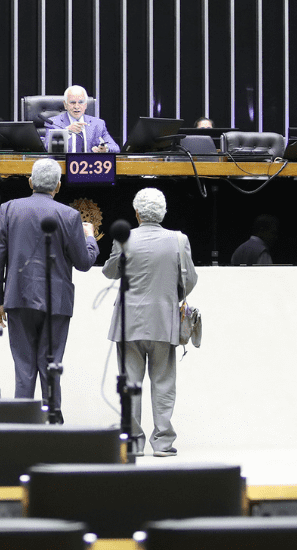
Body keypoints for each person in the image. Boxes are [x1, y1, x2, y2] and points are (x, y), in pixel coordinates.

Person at [0, 158, 99, 409]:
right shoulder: (70, 215)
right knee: (51, 363)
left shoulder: (7, 210)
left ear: (30, 182)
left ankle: (21, 423)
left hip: (17, 297)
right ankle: (53, 419)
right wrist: (91, 238)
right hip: (57, 300)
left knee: (23, 365)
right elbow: (83, 262)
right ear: (58, 186)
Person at [102, 188, 197, 457]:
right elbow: (189, 280)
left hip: (128, 322)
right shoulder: (179, 240)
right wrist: (174, 293)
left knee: (130, 384)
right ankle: (163, 443)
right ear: (163, 213)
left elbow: (110, 272)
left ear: (137, 213)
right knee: (164, 383)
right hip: (164, 321)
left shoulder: (124, 238)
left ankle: (133, 442)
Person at [44, 85, 119, 153]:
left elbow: (115, 148)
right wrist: (67, 132)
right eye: (72, 102)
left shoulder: (98, 124)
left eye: (80, 102)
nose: (76, 106)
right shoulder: (53, 123)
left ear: (86, 105)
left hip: (90, 165)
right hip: (64, 165)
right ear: (65, 105)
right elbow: (47, 149)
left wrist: (106, 149)